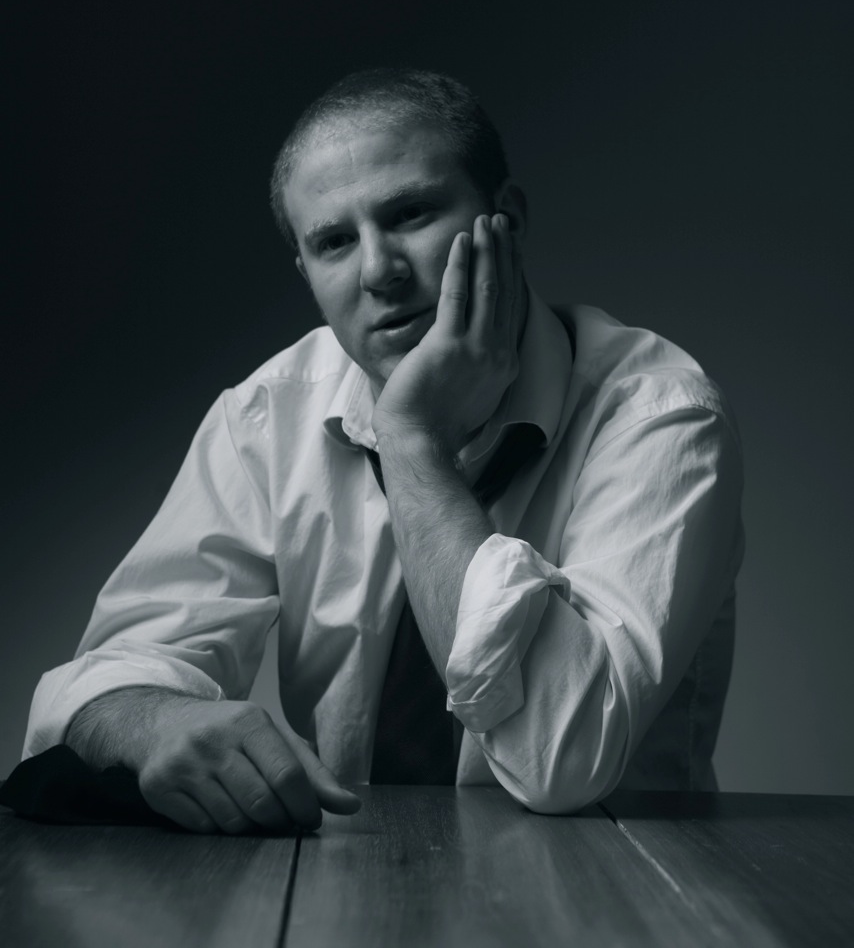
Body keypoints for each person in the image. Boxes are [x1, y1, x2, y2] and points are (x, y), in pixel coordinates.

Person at [23, 68, 745, 835]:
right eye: (334, 242)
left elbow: (563, 758)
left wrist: (411, 442)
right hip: (354, 870)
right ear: (307, 272)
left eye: (410, 214)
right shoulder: (269, 415)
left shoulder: (660, 414)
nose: (379, 271)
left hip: (620, 876)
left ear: (507, 217)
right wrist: (156, 723)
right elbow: (96, 685)